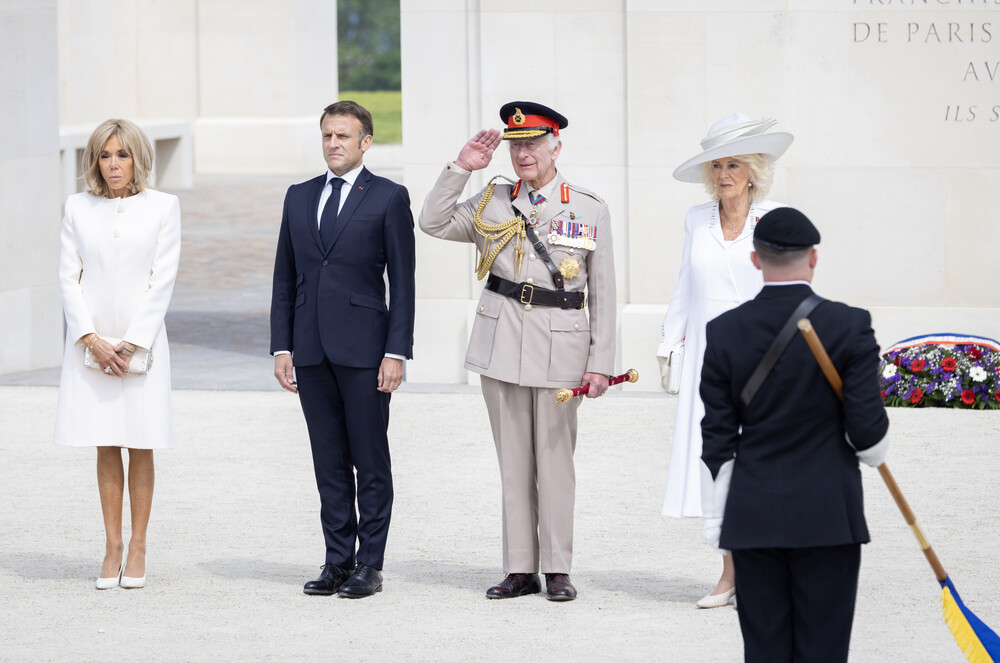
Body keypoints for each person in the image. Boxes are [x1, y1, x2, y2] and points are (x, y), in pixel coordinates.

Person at [419, 101, 616, 602]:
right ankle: (519, 568)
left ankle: (556, 568)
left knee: (554, 462)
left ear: (556, 146)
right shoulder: (493, 200)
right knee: (513, 462)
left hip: (562, 347)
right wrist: (461, 167)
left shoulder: (588, 206)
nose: (524, 154)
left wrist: (600, 363)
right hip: (502, 340)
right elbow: (433, 223)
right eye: (516, 145)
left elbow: (605, 292)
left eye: (533, 143)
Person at [699, 207, 890, 662]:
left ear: (755, 260)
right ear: (814, 258)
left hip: (753, 511)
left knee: (764, 649)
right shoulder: (850, 325)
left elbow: (717, 441)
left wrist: (720, 522)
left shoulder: (724, 331)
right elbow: (869, 441)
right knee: (823, 648)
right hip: (828, 512)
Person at [269, 100, 415, 599]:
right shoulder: (298, 196)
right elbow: (284, 279)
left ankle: (369, 565)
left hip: (366, 352)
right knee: (328, 462)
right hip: (310, 351)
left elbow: (404, 282)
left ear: (365, 142)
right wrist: (281, 346)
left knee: (370, 461)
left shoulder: (389, 198)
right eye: (328, 135)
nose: (334, 143)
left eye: (343, 136)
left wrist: (396, 352)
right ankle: (337, 561)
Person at [655, 112, 793, 608]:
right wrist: (669, 342)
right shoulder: (697, 219)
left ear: (753, 169)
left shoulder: (776, 218)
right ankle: (731, 574)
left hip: (765, 358)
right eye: (716, 165)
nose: (723, 174)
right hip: (708, 361)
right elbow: (685, 285)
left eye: (733, 164)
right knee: (720, 465)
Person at [54, 119, 182, 590]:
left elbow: (162, 277)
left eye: (123, 155)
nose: (114, 164)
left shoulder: (164, 207)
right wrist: (91, 338)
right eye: (106, 155)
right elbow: (70, 277)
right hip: (92, 345)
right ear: (94, 160)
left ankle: (138, 545)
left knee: (141, 441)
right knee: (105, 441)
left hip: (142, 346)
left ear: (137, 159)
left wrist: (132, 340)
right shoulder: (77, 207)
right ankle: (111, 546)